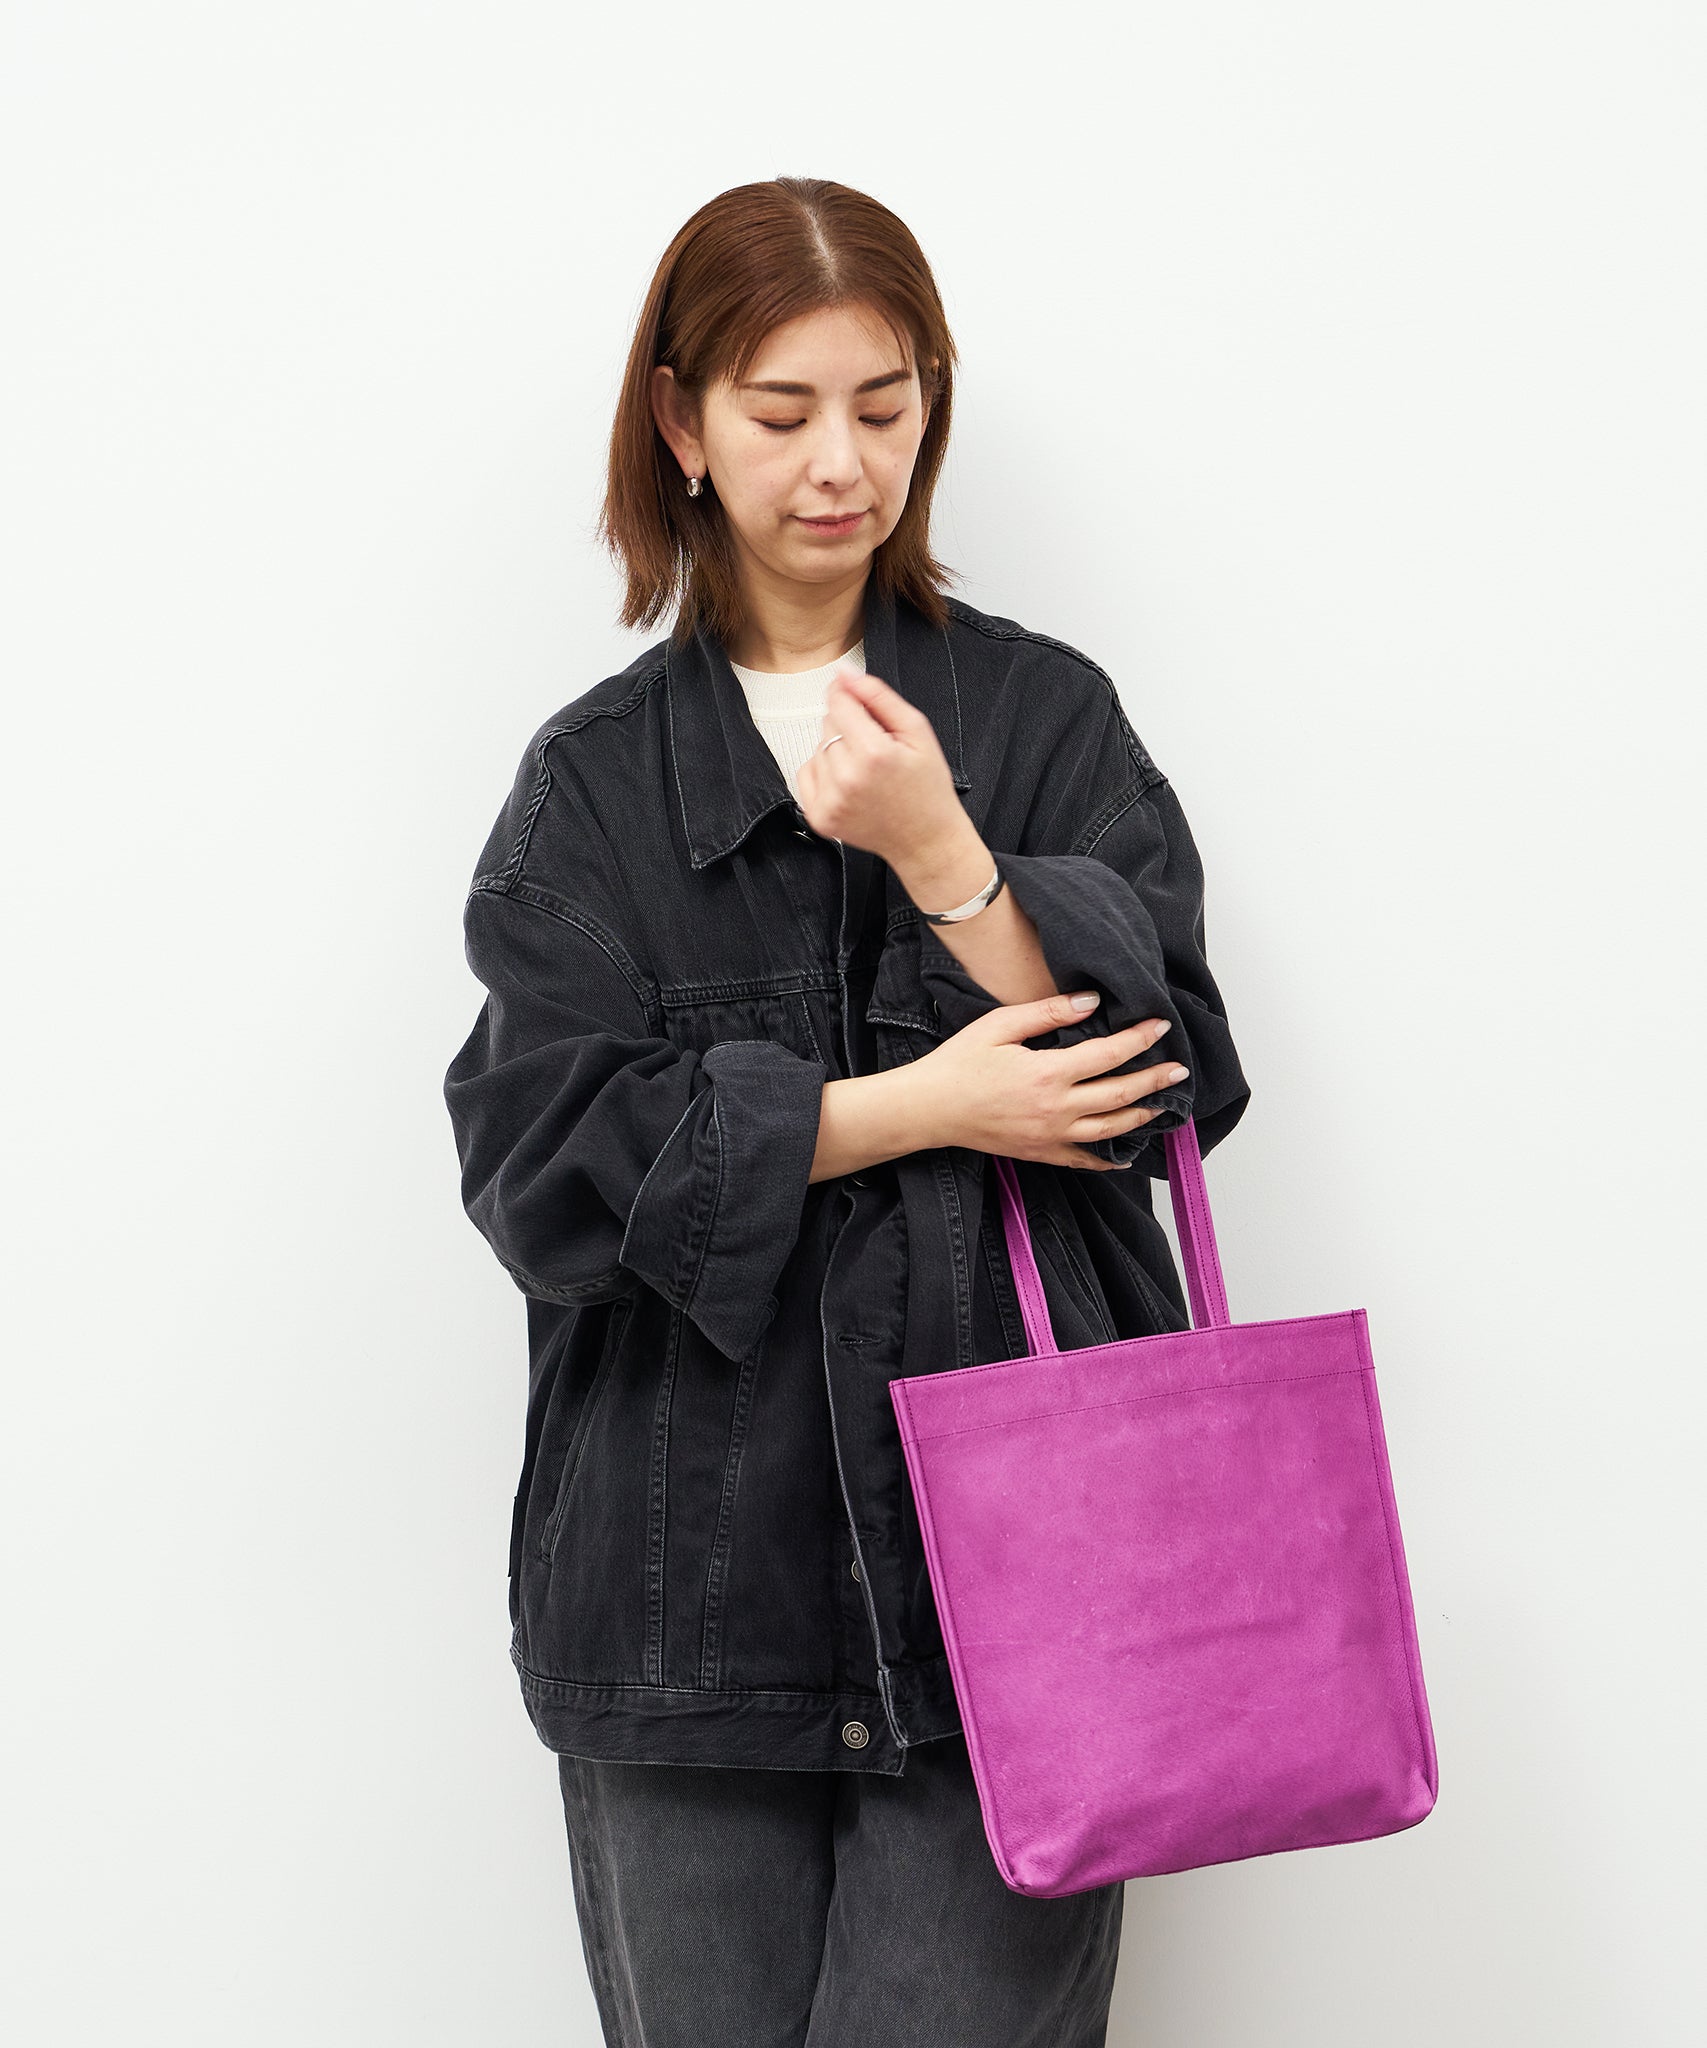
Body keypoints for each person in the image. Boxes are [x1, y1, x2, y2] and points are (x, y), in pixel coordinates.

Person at [443, 176, 1250, 2048]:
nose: (842, 464)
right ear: (681, 425)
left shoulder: (1040, 720)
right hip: (687, 1602)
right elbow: (542, 1173)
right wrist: (920, 1104)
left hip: (1034, 1601)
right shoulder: (595, 788)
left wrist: (948, 854)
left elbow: (1170, 1086)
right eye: (783, 410)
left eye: (885, 407)